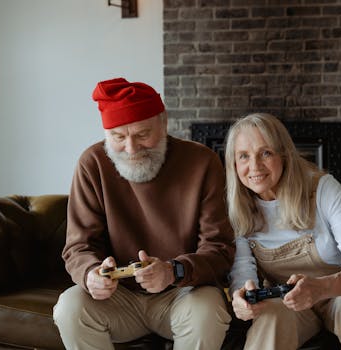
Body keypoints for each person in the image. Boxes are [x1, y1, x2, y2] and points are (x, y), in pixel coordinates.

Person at [53, 77, 235, 350]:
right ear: (107, 135)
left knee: (208, 310)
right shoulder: (92, 164)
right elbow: (79, 246)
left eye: (142, 135)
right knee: (69, 307)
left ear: (163, 123)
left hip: (183, 293)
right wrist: (91, 273)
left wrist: (174, 271)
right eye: (118, 137)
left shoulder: (202, 161)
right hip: (118, 299)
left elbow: (220, 248)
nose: (131, 148)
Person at [224, 113, 341, 350]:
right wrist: (241, 298)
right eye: (243, 156)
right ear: (233, 164)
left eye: (266, 153)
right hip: (288, 302)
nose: (255, 166)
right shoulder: (237, 207)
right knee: (270, 316)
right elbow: (242, 271)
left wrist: (322, 288)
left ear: (284, 154)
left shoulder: (322, 188)